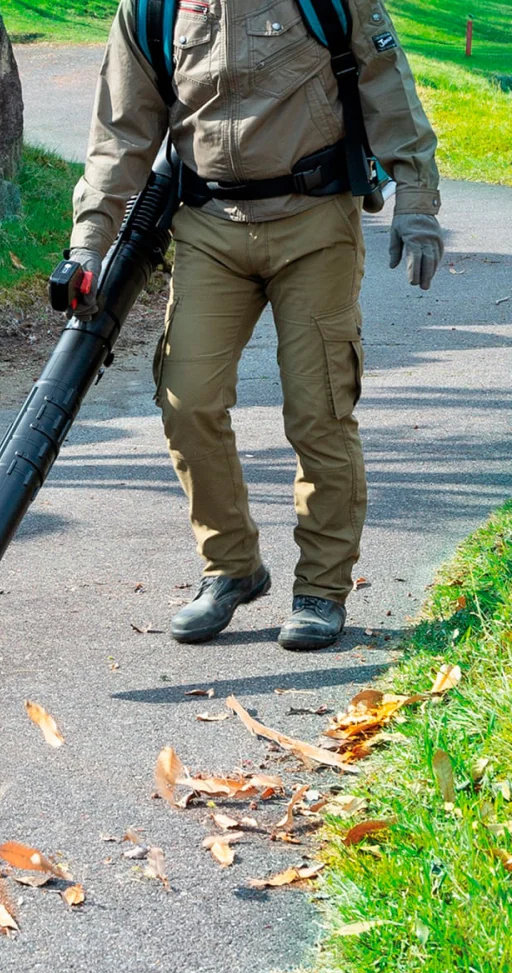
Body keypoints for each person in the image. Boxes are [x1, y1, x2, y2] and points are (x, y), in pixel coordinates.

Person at [66, 0, 443, 650]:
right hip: (210, 228)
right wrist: (88, 242)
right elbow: (121, 132)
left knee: (318, 407)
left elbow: (387, 81)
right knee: (187, 401)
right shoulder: (151, 8)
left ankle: (322, 590)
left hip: (314, 220)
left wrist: (417, 201)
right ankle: (231, 569)